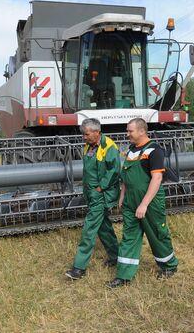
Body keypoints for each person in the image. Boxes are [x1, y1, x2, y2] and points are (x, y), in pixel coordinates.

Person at [106, 118, 178, 288]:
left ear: (141, 131)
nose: (127, 134)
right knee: (129, 236)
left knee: (156, 234)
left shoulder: (154, 150)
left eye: (130, 131)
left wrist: (144, 204)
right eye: (127, 130)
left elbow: (157, 178)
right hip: (131, 201)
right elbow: (126, 175)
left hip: (150, 202)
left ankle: (169, 266)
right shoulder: (131, 150)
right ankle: (123, 276)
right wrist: (123, 195)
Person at [65, 118, 120, 280]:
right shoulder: (88, 147)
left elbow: (114, 171)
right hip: (90, 192)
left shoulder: (109, 147)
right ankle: (116, 256)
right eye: (83, 134)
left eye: (86, 134)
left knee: (89, 229)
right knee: (104, 227)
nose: (84, 137)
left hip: (100, 194)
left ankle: (79, 268)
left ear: (97, 132)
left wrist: (101, 187)